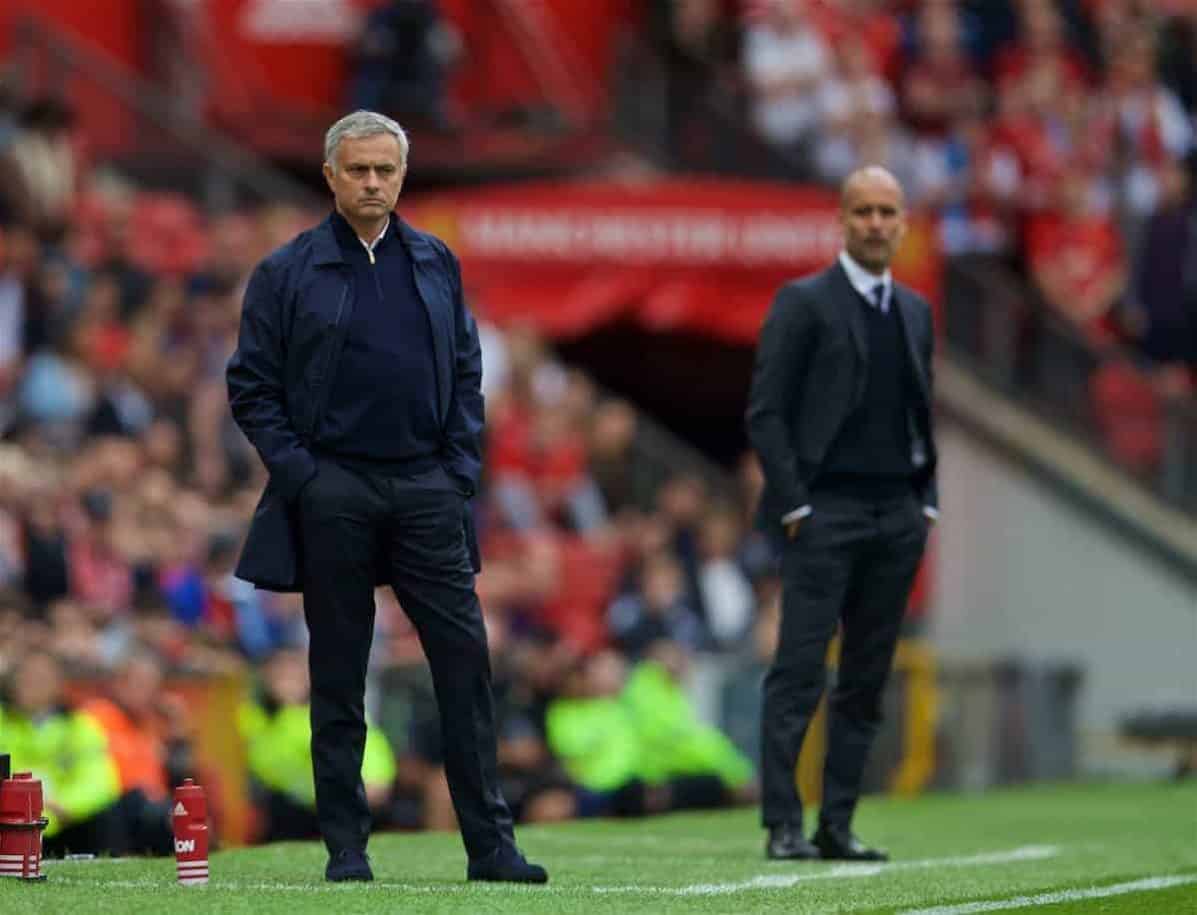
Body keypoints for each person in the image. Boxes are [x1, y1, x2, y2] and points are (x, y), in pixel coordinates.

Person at [226, 110, 547, 884]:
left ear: (402, 176)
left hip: (426, 488)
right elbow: (251, 385)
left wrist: (456, 472)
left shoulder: (437, 261)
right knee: (338, 672)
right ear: (330, 175)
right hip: (333, 486)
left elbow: (467, 372)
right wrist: (306, 476)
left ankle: (491, 847)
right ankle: (346, 848)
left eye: (385, 170)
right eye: (358, 169)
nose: (373, 182)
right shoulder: (286, 271)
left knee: (464, 666)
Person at [745, 165, 937, 862]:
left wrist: (927, 499)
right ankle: (781, 824)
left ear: (902, 221)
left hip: (896, 516)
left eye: (887, 211)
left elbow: (922, 409)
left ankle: (838, 823)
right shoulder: (801, 302)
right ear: (842, 219)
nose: (876, 224)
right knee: (798, 669)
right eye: (863, 212)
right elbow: (765, 413)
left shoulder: (914, 311)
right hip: (823, 511)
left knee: (866, 677)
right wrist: (796, 503)